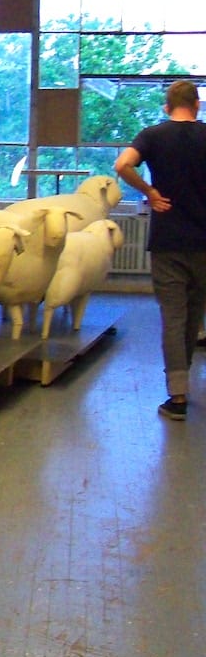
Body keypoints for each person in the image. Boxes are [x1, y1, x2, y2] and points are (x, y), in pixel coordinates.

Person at [114, 79, 206, 420]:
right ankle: (183, 383)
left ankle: (177, 395)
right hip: (204, 242)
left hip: (168, 241)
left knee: (173, 316)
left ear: (167, 107)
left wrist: (151, 192)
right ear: (197, 105)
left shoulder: (153, 135)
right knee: (194, 314)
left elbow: (122, 165)